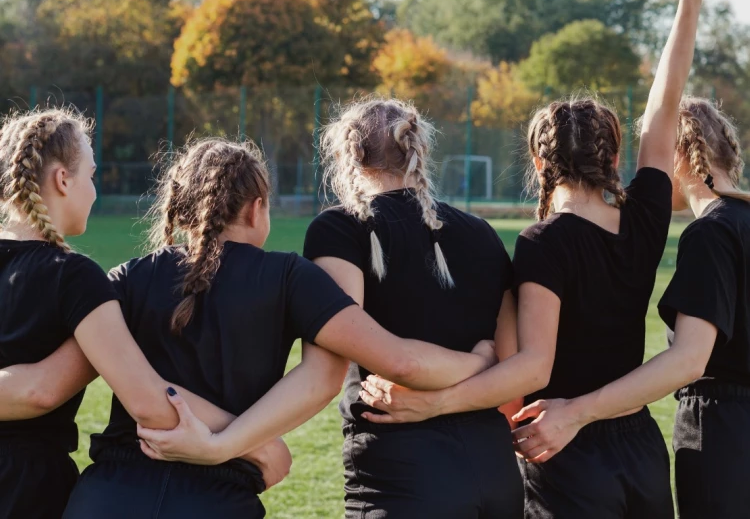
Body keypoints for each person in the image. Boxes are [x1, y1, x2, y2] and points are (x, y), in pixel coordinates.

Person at [46, 137, 496, 518]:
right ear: (257, 208)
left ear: (179, 206)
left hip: (107, 494)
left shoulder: (125, 277)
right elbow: (398, 362)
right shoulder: (289, 276)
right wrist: (479, 361)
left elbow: (53, 381)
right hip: (218, 498)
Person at [496, 0, 714, 519]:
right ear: (613, 158)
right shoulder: (645, 214)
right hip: (640, 447)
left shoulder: (541, 244)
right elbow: (665, 107)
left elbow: (531, 368)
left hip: (561, 446)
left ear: (540, 163)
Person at [0, 109, 269, 519]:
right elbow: (137, 397)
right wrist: (259, 446)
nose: (93, 190)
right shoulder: (74, 277)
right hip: (24, 486)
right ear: (62, 180)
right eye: (91, 175)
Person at [301, 97, 554, 518]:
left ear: (351, 155)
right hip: (494, 472)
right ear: (419, 149)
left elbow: (373, 353)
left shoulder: (338, 229)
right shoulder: (482, 234)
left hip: (401, 473)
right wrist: (479, 362)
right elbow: (510, 367)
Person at [513, 97, 750, 519]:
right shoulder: (674, 224)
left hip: (721, 435)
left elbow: (689, 361)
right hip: (642, 450)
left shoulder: (711, 233)